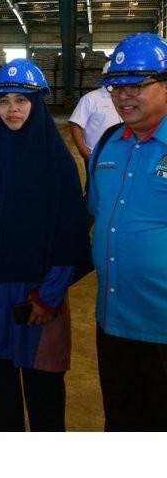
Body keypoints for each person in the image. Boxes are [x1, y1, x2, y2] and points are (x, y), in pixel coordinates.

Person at [0, 59, 91, 432]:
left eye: (22, 100)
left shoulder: (56, 164)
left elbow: (69, 234)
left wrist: (48, 296)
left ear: (37, 105)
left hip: (36, 299)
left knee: (44, 392)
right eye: (4, 101)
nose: (12, 109)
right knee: (2, 398)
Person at [88, 32, 167, 431]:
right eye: (116, 86)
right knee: (120, 421)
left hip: (161, 325)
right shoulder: (106, 145)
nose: (123, 96)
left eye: (136, 85)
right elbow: (97, 217)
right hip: (112, 321)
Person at [69, 62, 122, 163]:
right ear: (104, 77)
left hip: (121, 154)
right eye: (112, 76)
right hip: (95, 155)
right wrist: (84, 151)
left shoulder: (126, 98)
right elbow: (75, 124)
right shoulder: (91, 99)